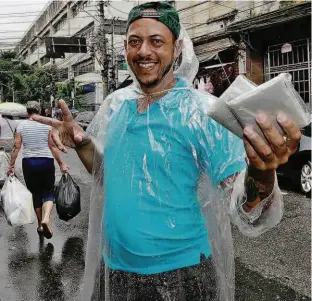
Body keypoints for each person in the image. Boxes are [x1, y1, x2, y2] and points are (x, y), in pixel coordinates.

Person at [33, 2, 302, 300]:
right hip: (113, 269)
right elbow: (107, 176)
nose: (143, 51)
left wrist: (262, 173)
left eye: (156, 41)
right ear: (125, 48)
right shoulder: (117, 105)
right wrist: (83, 143)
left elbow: (244, 206)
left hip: (180, 277)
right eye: (135, 41)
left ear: (177, 49)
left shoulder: (204, 113)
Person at [8, 101, 69, 239]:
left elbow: (16, 148)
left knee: (35, 193)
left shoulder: (21, 126)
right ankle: (46, 219)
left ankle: (40, 225)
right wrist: (61, 164)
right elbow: (53, 146)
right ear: (39, 110)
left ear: (26, 112)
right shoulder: (46, 126)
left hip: (29, 162)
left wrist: (11, 166)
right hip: (46, 161)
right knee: (48, 192)